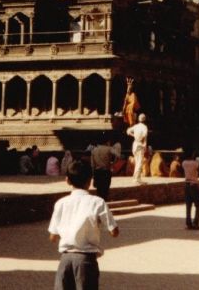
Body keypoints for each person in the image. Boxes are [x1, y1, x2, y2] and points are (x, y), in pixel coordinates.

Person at [48, 161, 119, 290]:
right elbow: (114, 231)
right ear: (90, 181)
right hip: (86, 260)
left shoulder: (61, 203)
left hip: (65, 259)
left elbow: (52, 236)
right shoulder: (98, 202)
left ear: (67, 180)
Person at [91, 134, 118, 200]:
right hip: (106, 170)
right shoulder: (109, 149)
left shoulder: (94, 150)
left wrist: (93, 174)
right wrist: (113, 163)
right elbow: (118, 155)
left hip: (97, 171)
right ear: (107, 141)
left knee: (99, 189)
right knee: (105, 189)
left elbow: (92, 164)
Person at [182, 151, 199, 230]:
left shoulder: (184, 163)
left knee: (188, 206)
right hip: (194, 184)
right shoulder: (195, 163)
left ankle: (188, 223)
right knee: (198, 205)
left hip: (187, 184)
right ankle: (195, 223)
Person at [126, 114, 148, 185]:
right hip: (140, 145)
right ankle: (136, 179)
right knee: (139, 162)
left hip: (135, 144)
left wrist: (134, 136)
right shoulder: (144, 127)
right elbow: (144, 136)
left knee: (137, 162)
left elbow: (128, 131)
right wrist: (144, 144)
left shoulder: (136, 126)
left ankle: (137, 178)